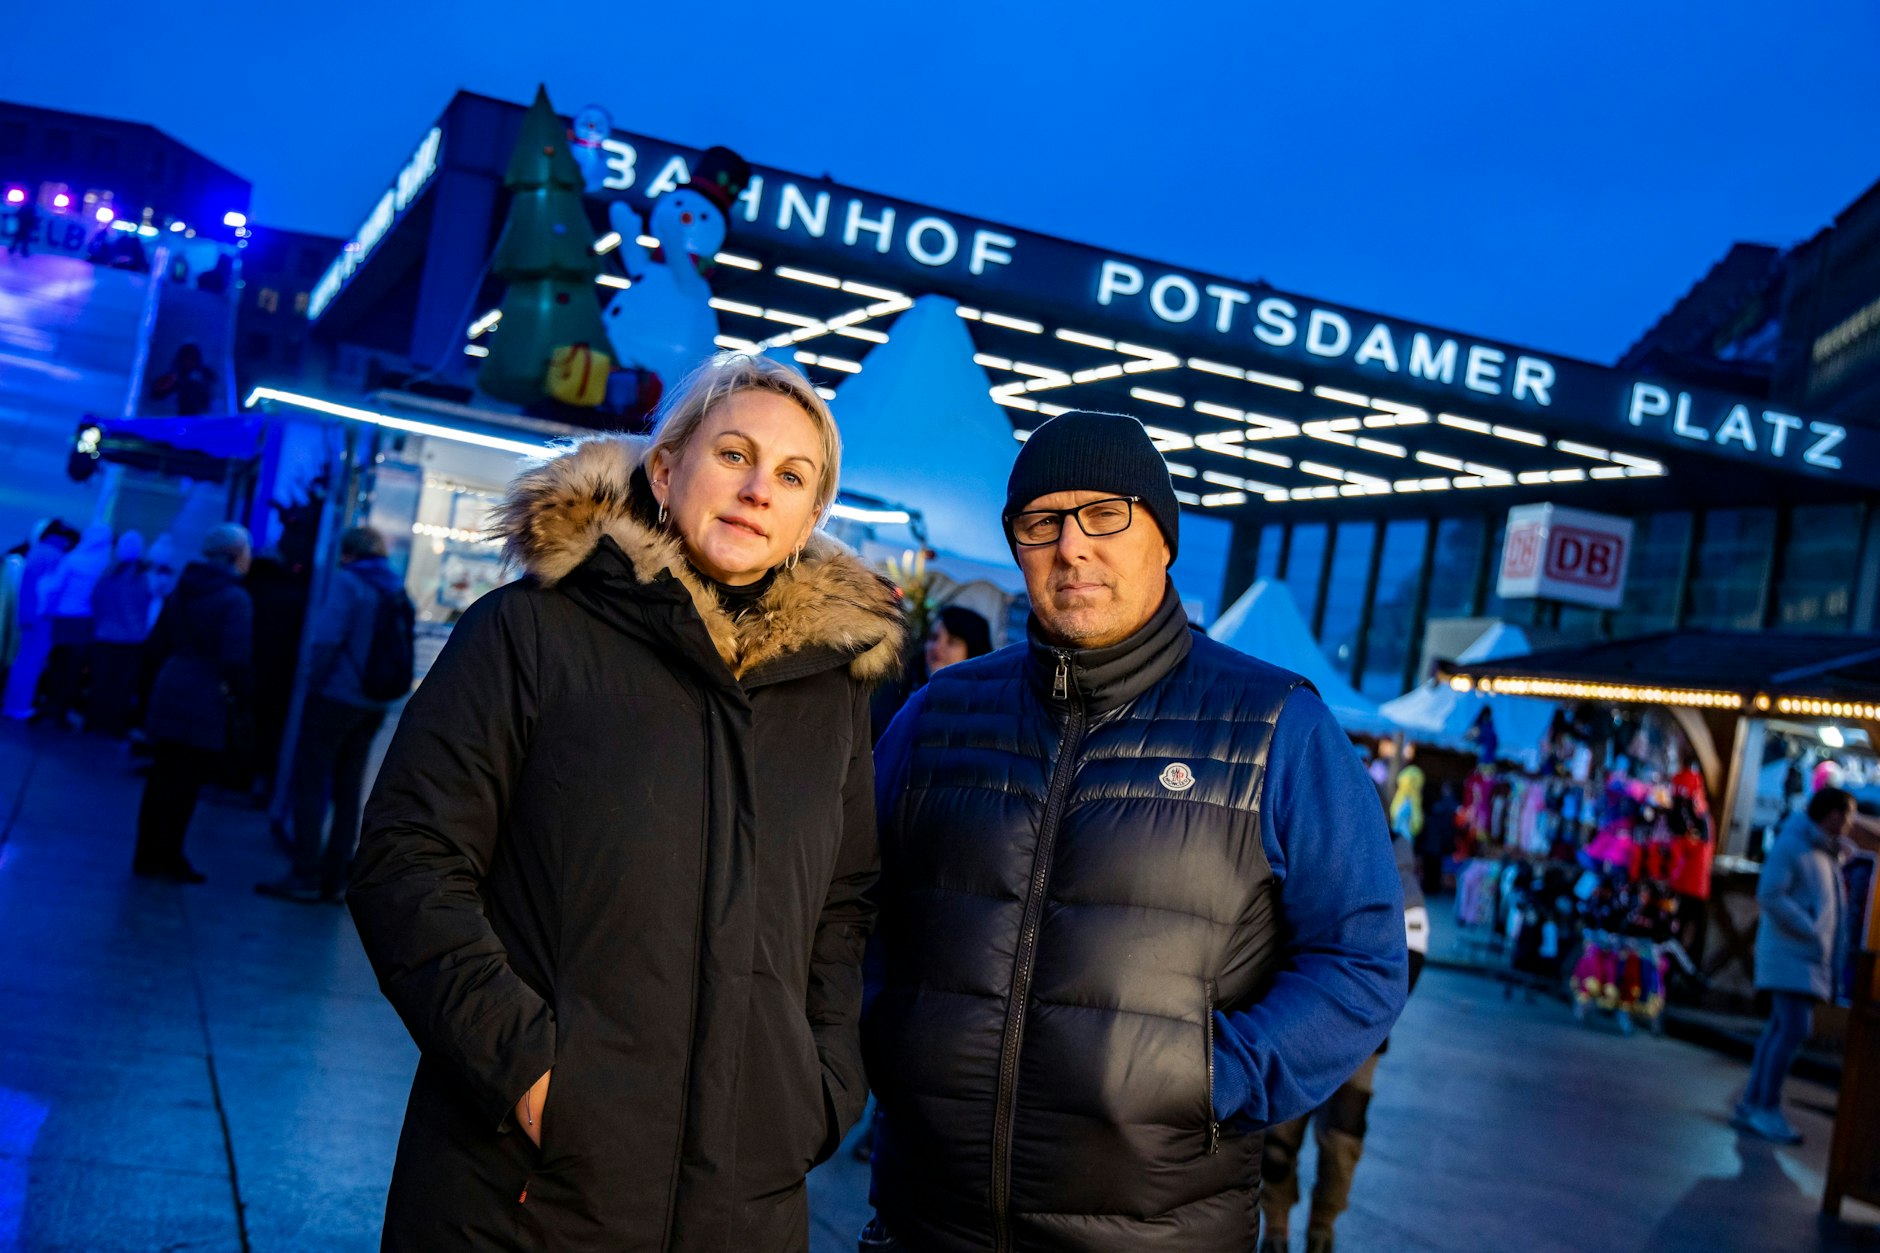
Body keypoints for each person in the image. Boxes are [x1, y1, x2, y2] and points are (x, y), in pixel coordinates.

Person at [348, 353, 903, 1250]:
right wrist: (524, 1067)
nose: (759, 489)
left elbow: (842, 903)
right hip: (528, 1189)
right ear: (663, 467)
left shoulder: (830, 693)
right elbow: (407, 860)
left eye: (792, 475)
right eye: (733, 454)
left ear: (811, 517)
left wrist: (823, 1084)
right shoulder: (531, 631)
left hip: (744, 1196)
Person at [861, 411, 1408, 1251]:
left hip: (1158, 1228)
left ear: (1164, 537)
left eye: (1104, 513)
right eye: (1041, 522)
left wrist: (1215, 1072)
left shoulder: (1273, 723)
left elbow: (1364, 956)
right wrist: (884, 1037)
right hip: (926, 1221)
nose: (1072, 546)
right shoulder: (939, 714)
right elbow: (844, 901)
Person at [1260, 829, 1429, 1253]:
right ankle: (1278, 1231)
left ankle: (1321, 1230)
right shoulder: (1307, 839)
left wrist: (1361, 1018)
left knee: (1341, 1139)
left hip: (1350, 1036)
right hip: (1297, 1026)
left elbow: (1414, 948)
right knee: (1282, 1135)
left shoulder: (1389, 861)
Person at [257, 526, 412, 903]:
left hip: (337, 696)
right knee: (349, 788)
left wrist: (310, 684)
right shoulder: (395, 586)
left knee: (310, 783)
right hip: (375, 703)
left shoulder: (349, 582)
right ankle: (338, 878)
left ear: (348, 553)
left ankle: (305, 873)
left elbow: (328, 638)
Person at [132, 524, 253, 883]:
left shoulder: (183, 587)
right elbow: (236, 658)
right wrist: (245, 699)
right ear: (235, 555)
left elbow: (158, 642)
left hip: (172, 683)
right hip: (206, 694)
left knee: (161, 776)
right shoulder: (235, 599)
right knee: (186, 782)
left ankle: (145, 853)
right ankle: (169, 855)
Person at [1733, 785, 1854, 1145]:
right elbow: (1770, 893)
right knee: (1793, 1029)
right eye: (1844, 814)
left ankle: (1753, 1102)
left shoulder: (1822, 851)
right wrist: (1811, 927)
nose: (1849, 822)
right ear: (1829, 814)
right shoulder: (1794, 845)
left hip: (1802, 957)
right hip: (1791, 956)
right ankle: (1765, 1106)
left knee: (1779, 1029)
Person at [38, 522, 116, 727]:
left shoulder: (72, 559)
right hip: (86, 622)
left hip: (63, 619)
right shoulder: (106, 565)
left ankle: (48, 706)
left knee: (55, 665)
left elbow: (55, 586)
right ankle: (62, 711)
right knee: (74, 670)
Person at [2, 520, 78, 719]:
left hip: (29, 615)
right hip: (41, 617)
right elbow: (50, 590)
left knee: (22, 661)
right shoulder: (54, 556)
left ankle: (13, 703)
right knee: (31, 663)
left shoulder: (36, 552)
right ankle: (19, 706)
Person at [87, 530, 155, 737]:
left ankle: (94, 722)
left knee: (100, 681)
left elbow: (95, 600)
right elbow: (149, 608)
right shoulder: (145, 577)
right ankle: (115, 725)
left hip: (105, 636)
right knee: (123, 685)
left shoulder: (108, 573)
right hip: (133, 641)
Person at [924, 604, 992, 675]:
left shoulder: (992, 685)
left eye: (952, 642)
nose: (936, 647)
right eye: (934, 638)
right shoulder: (913, 681)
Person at [151, 342, 215, 416]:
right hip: (180, 418)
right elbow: (157, 394)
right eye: (185, 358)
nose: (188, 361)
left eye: (192, 358)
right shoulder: (175, 377)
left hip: (203, 417)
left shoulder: (205, 375)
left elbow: (212, 389)